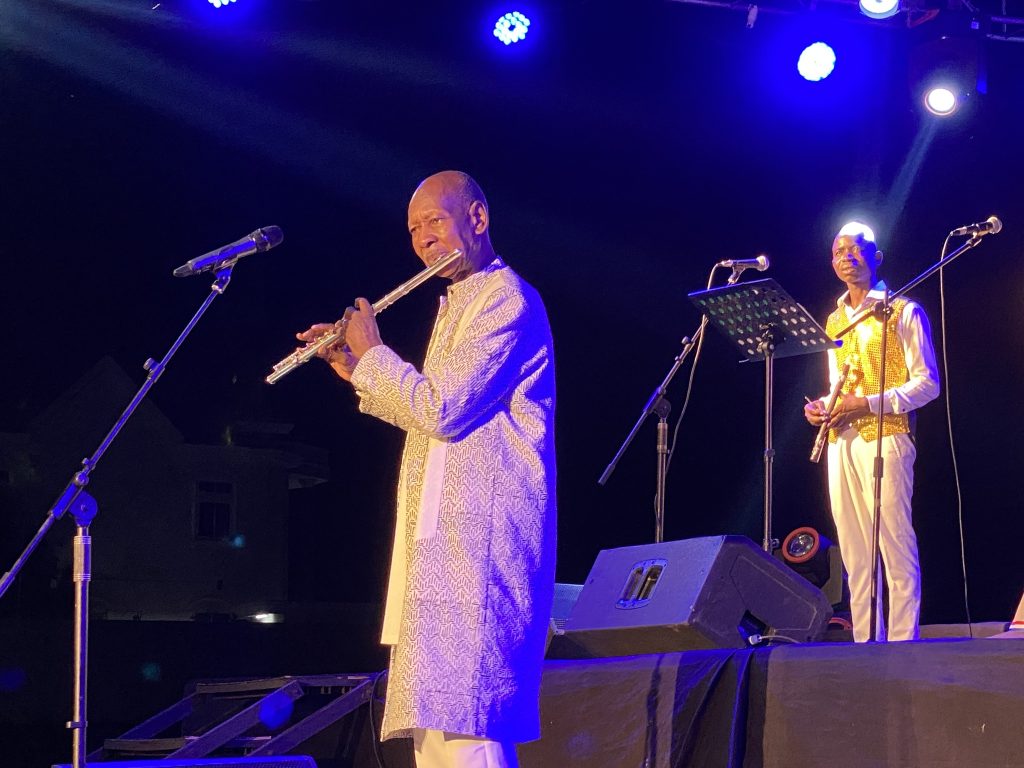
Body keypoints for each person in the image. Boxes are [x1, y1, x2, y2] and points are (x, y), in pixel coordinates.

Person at [298, 170, 557, 768]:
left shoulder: (506, 299)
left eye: (434, 222)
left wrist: (375, 355)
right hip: (440, 552)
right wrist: (355, 369)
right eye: (413, 230)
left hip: (481, 551)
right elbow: (432, 410)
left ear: (477, 218)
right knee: (434, 732)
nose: (422, 240)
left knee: (470, 727)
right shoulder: (455, 306)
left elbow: (438, 409)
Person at [803, 222, 939, 642]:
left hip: (888, 435)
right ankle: (865, 643)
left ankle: (901, 644)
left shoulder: (903, 310)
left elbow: (927, 383)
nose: (848, 256)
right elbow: (837, 386)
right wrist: (824, 407)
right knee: (855, 553)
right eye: (840, 251)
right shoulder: (833, 320)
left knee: (894, 542)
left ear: (876, 256)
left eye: (858, 249)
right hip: (842, 442)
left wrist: (866, 403)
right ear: (832, 261)